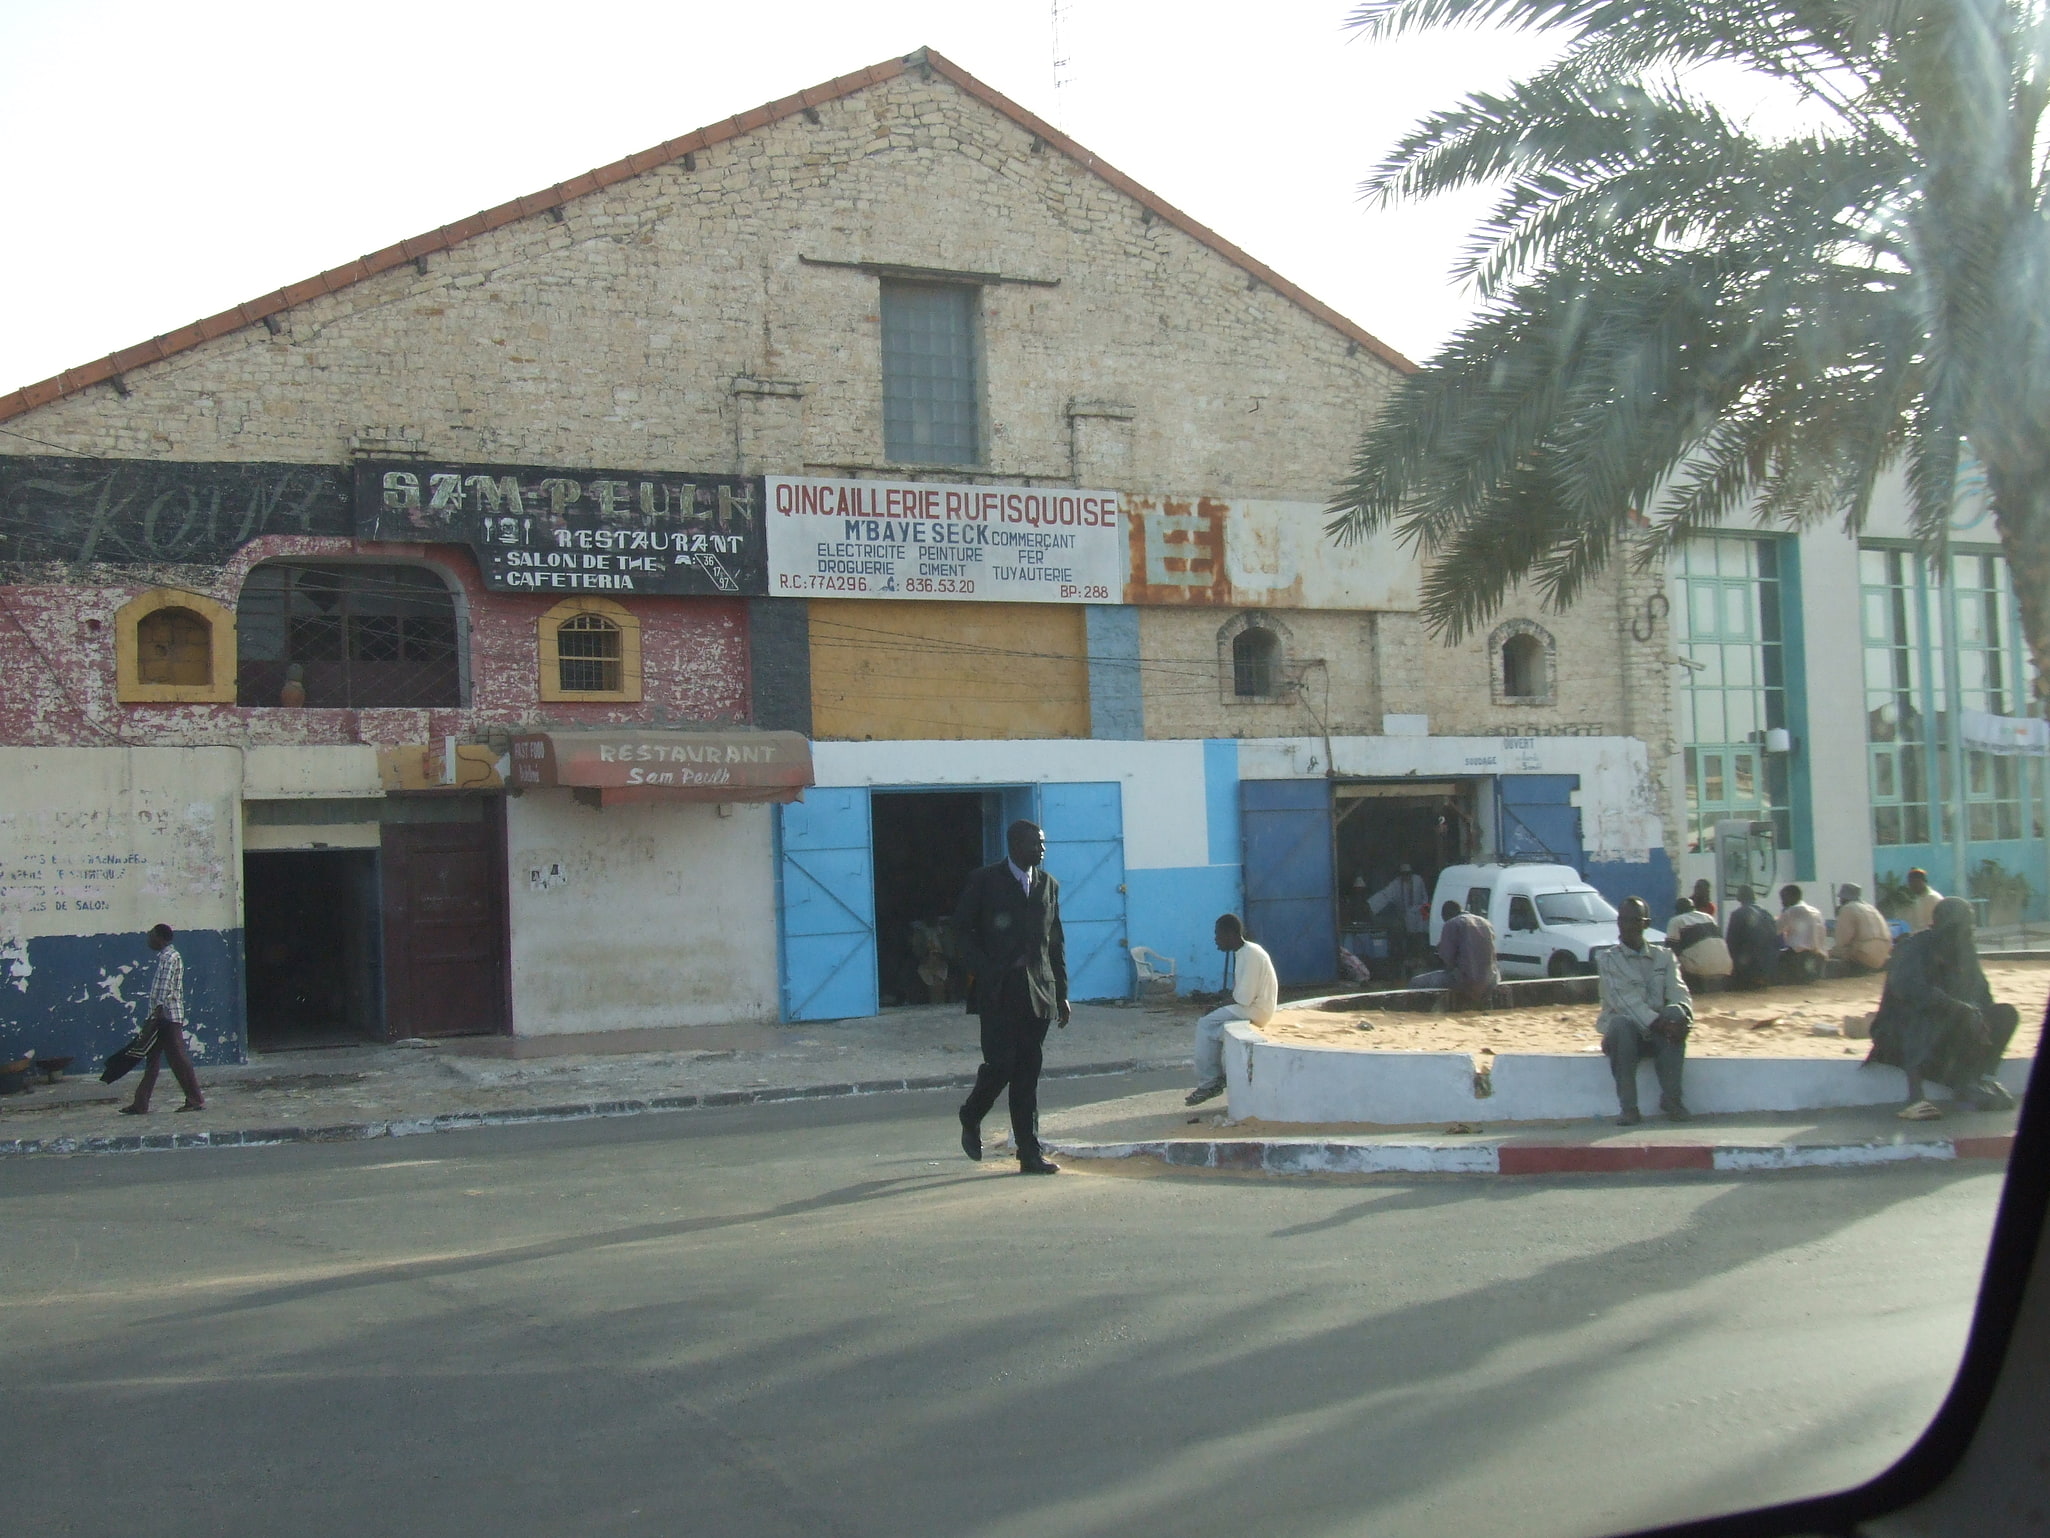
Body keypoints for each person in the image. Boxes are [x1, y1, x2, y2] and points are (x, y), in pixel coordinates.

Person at [954, 821, 1069, 1175]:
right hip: (998, 989)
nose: (1042, 850)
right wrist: (984, 969)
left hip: (1039, 991)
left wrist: (1062, 993)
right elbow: (960, 931)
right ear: (1016, 845)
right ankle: (971, 1113)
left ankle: (1029, 1154)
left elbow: (1055, 944)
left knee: (1028, 1072)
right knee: (1001, 1064)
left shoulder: (1048, 885)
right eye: (1037, 843)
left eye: (1044, 844)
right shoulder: (985, 880)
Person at [1866, 897, 2019, 1120]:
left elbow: (1983, 995)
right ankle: (1915, 1098)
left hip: (1949, 1035)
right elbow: (1907, 989)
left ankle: (1977, 1079)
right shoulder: (1913, 947)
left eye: (1967, 929)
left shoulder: (1965, 954)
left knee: (2005, 1014)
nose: (1963, 935)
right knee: (1936, 1014)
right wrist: (1955, 1006)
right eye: (1958, 929)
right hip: (1900, 1034)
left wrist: (1978, 1014)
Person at [1596, 896, 1693, 1125]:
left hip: (1660, 1031)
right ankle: (1629, 1108)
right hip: (1628, 1033)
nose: (1627, 926)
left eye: (1634, 920)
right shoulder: (1608, 960)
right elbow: (1624, 1001)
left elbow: (1678, 990)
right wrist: (1659, 1024)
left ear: (1646, 924)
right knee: (1620, 1025)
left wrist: (1684, 1017)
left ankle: (1672, 1100)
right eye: (1623, 920)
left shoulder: (1664, 956)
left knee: (1676, 1013)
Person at [1185, 914, 1279, 1106]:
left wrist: (1218, 1005)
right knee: (1219, 1031)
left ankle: (1209, 1082)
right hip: (1252, 1007)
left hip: (1257, 1010)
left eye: (1218, 935)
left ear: (1229, 934)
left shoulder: (1250, 954)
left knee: (1205, 1024)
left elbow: (1243, 998)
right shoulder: (1245, 952)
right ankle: (1220, 1077)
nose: (1215, 940)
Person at [119, 924, 205, 1116]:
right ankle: (140, 1103)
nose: (149, 939)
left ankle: (195, 1099)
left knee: (178, 1059)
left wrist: (157, 1013)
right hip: (162, 1016)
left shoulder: (168, 957)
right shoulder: (168, 956)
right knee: (152, 1060)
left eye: (151, 935)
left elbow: (165, 987)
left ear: (160, 937)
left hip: (166, 1016)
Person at [1410, 900, 1498, 1010]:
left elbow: (1448, 958)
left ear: (1446, 915)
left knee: (1416, 982)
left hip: (1466, 980)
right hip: (1491, 980)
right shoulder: (1486, 923)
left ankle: (1419, 1013)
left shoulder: (1451, 924)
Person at [1369, 863, 1430, 972]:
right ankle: (1407, 960)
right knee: (1407, 936)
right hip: (1406, 915)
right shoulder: (1396, 884)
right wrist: (1372, 906)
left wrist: (1424, 910)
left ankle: (1420, 959)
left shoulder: (1418, 880)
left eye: (1408, 874)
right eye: (1404, 874)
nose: (1406, 877)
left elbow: (1424, 897)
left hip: (1419, 913)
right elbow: (1385, 895)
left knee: (1420, 936)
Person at [1665, 897, 1732, 992]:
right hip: (1725, 968)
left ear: (1677, 910)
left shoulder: (1676, 921)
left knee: (1670, 958)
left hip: (1700, 971)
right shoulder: (1709, 917)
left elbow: (1670, 950)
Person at [1828, 883, 1894, 975]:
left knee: (1832, 952)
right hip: (1884, 954)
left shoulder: (1847, 908)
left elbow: (1842, 941)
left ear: (1843, 898)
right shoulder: (1871, 908)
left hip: (1865, 953)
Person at [1724, 885, 1779, 990]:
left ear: (1739, 897)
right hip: (1767, 966)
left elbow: (1731, 942)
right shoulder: (1766, 913)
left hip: (1748, 966)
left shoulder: (1738, 914)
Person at [1776, 884, 1827, 985]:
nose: (1782, 902)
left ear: (1792, 897)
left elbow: (1775, 930)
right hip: (1819, 958)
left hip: (1798, 958)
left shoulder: (1792, 910)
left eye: (1784, 898)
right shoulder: (1816, 911)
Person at [1903, 868, 1944, 932]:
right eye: (1910, 882)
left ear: (1923, 882)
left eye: (1916, 882)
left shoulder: (1933, 898)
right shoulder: (1914, 899)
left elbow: (1933, 925)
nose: (1913, 885)